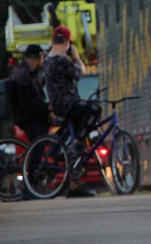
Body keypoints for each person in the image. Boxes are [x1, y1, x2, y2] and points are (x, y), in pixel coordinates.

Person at [44, 26, 99, 198]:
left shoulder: (47, 59)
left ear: (53, 40)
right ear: (67, 42)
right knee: (95, 108)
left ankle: (74, 184)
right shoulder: (63, 60)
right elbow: (80, 73)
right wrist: (76, 56)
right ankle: (79, 142)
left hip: (59, 104)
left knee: (72, 132)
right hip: (68, 103)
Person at [7, 45, 50, 142]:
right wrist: (46, 108)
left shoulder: (27, 72)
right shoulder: (24, 74)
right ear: (38, 57)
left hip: (27, 116)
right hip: (28, 119)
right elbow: (26, 102)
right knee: (39, 144)